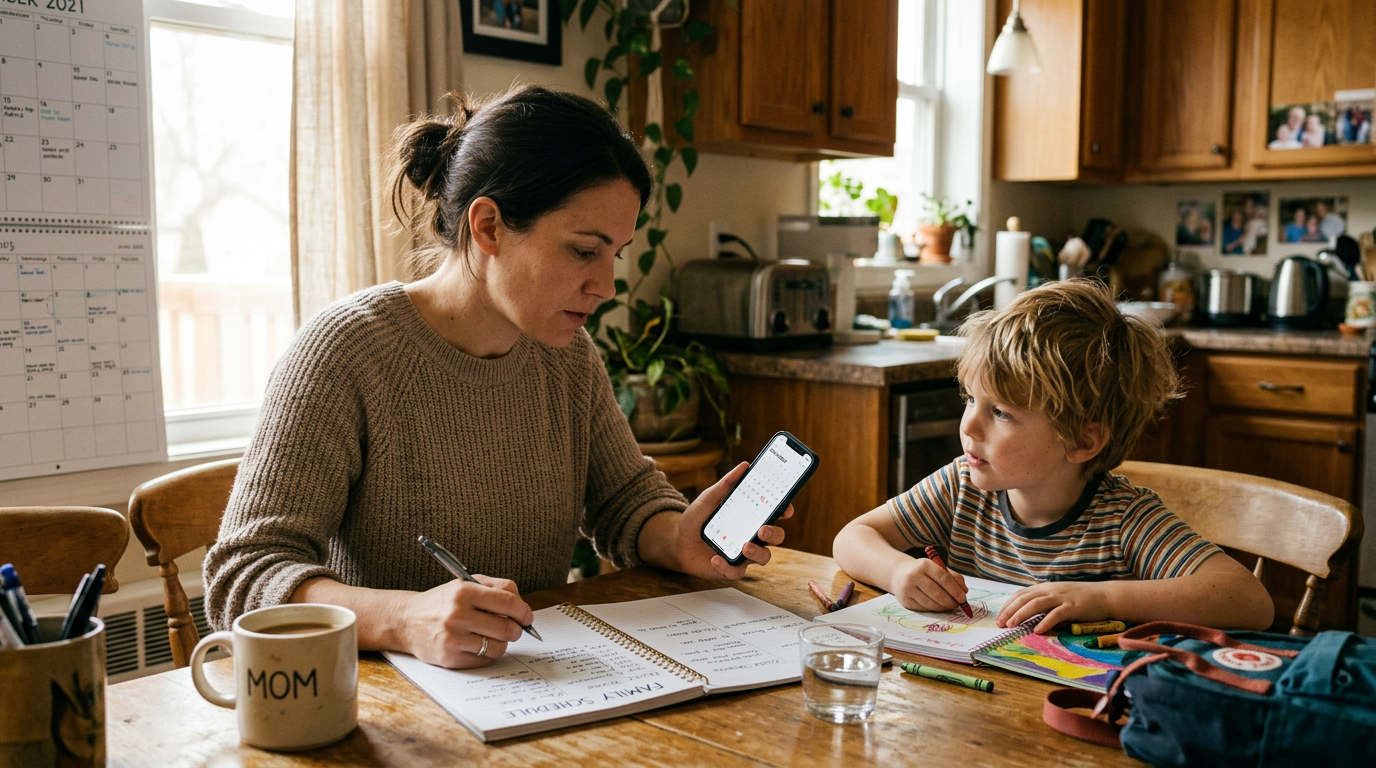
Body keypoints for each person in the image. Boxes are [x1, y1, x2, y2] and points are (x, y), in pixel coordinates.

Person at [203, 86, 793, 669]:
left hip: (531, 687)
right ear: (487, 227)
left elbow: (623, 501)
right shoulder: (346, 352)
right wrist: (406, 619)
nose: (608, 285)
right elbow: (245, 576)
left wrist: (679, 537)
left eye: (617, 253)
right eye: (584, 250)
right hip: (385, 709)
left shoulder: (565, 355)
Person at [832, 280, 1273, 633]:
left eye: (1001, 412)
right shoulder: (961, 485)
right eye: (971, 399)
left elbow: (1250, 600)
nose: (968, 425)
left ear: (1082, 442)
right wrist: (898, 573)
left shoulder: (1123, 519)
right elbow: (853, 537)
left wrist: (1101, 598)